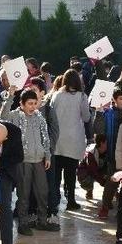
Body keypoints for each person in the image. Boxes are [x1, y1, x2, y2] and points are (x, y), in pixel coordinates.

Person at [0, 88, 59, 234]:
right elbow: (2, 117)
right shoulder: (15, 116)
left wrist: (48, 155)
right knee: (24, 193)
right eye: (29, 103)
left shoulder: (39, 117)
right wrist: (10, 96)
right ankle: (23, 223)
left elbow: (44, 137)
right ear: (22, 104)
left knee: (42, 192)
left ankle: (42, 220)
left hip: (39, 159)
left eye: (35, 103)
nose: (32, 107)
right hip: (23, 160)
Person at [47, 69, 92, 214]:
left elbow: (51, 115)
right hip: (74, 140)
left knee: (56, 174)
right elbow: (86, 118)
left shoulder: (56, 95)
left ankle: (54, 200)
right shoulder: (82, 97)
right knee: (70, 173)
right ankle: (71, 200)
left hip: (57, 139)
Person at [93, 87, 122, 218]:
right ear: (114, 100)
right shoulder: (108, 113)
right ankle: (105, 207)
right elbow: (98, 129)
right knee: (111, 183)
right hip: (113, 155)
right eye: (121, 99)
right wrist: (99, 112)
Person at [77, 133, 109, 202]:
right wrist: (105, 183)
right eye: (106, 143)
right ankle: (89, 190)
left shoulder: (106, 152)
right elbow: (93, 172)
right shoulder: (91, 153)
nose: (108, 145)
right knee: (88, 179)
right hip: (85, 173)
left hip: (96, 170)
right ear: (101, 143)